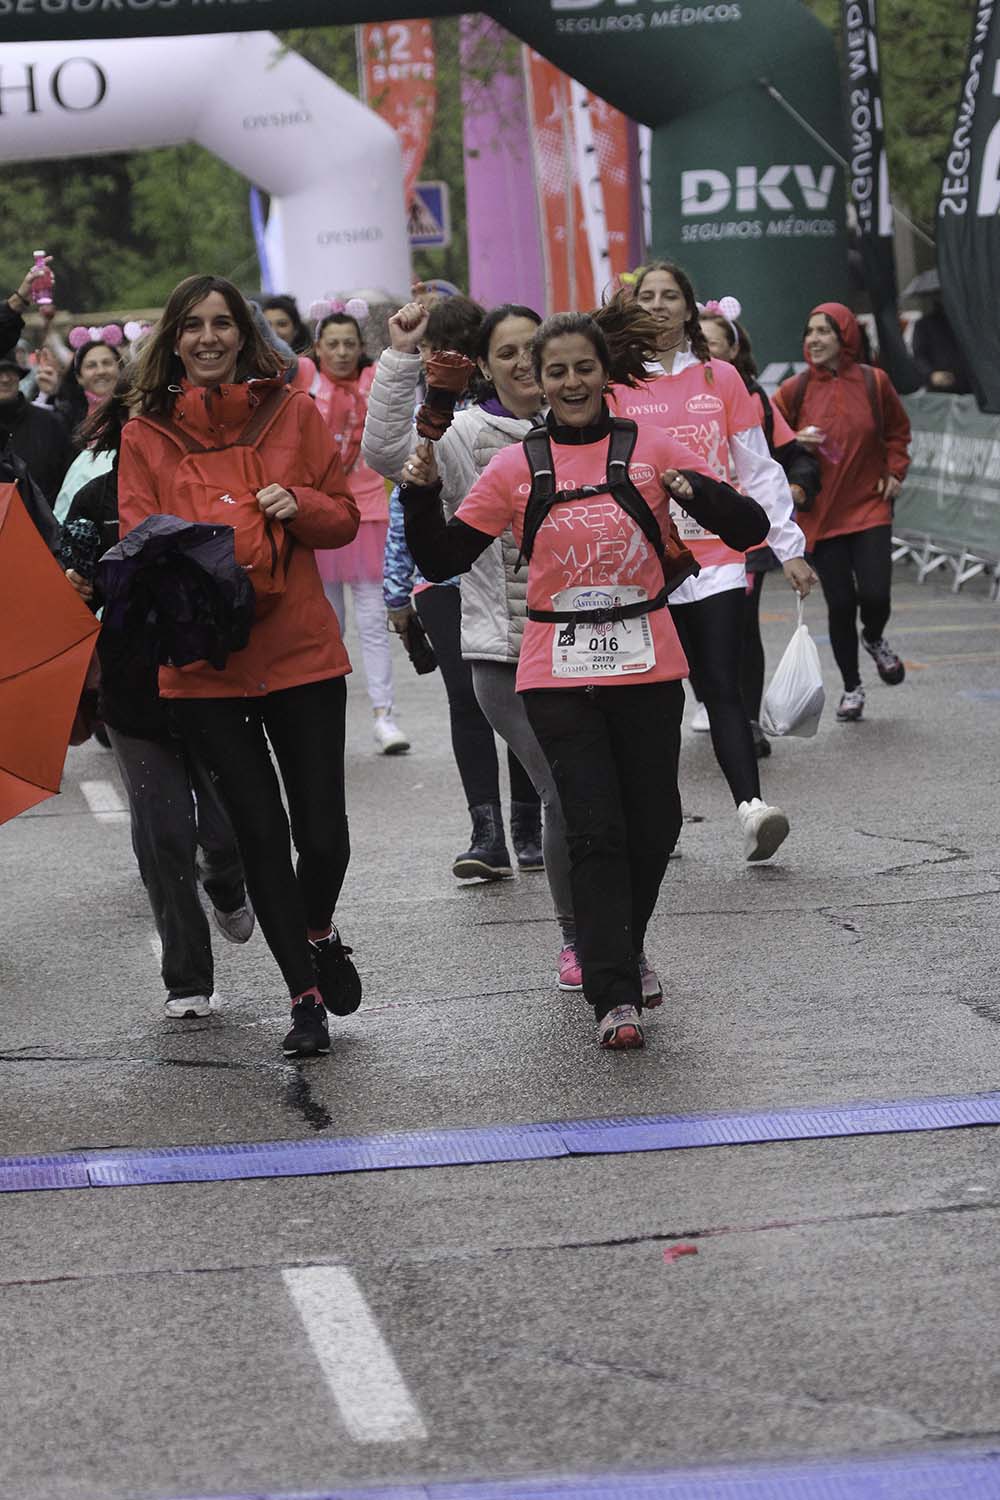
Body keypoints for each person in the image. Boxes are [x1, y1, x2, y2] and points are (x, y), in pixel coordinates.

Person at [400, 305, 768, 1048]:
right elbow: (440, 560)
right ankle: (613, 991)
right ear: (537, 381)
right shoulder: (515, 467)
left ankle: (622, 947)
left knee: (654, 821)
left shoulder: (651, 447)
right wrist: (415, 491)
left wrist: (700, 494)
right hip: (556, 666)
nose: (570, 382)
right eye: (555, 371)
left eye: (583, 369)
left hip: (647, 657)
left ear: (605, 376)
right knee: (593, 823)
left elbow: (748, 530)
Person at [117, 273, 362, 1060]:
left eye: (223, 323)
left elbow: (343, 514)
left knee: (324, 837)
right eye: (193, 326)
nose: (209, 338)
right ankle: (305, 998)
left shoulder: (293, 411)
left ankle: (317, 926)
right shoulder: (145, 432)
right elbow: (137, 539)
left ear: (246, 334)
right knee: (260, 831)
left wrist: (300, 501)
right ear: (174, 340)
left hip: (298, 651)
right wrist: (199, 541)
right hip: (205, 663)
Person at [364, 299, 584, 990]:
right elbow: (388, 453)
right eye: (508, 353)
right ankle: (585, 940)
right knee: (568, 797)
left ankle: (618, 935)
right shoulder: (464, 435)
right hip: (510, 650)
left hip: (606, 647)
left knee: (623, 808)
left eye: (534, 352)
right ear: (486, 366)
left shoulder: (592, 430)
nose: (524, 365)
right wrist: (402, 360)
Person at [63, 387, 255, 1020]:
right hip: (133, 695)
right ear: (121, 429)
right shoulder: (94, 502)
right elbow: (72, 594)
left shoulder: (203, 488)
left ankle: (228, 882)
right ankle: (186, 979)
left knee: (225, 833)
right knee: (164, 836)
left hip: (207, 682)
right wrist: (78, 585)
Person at [624, 262, 814, 861]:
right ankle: (657, 819)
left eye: (669, 296)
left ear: (689, 307)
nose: (658, 305)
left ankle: (754, 810)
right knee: (658, 696)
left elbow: (757, 467)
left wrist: (790, 548)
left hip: (720, 557)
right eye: (646, 296)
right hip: (648, 561)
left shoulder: (722, 377)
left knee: (720, 685)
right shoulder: (616, 382)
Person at [380, 295, 544, 879]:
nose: (434, 359)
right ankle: (487, 831)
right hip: (441, 579)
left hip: (517, 586)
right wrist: (396, 591)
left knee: (525, 697)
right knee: (469, 703)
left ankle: (530, 824)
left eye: (443, 350)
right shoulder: (436, 420)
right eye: (428, 351)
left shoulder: (531, 420)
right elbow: (406, 496)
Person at [775, 303, 911, 723]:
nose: (813, 340)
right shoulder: (794, 389)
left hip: (869, 506)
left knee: (874, 594)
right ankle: (852, 688)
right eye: (809, 331)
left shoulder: (875, 382)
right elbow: (767, 437)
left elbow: (897, 432)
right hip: (821, 514)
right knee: (840, 602)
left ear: (846, 336)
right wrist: (794, 439)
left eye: (824, 331)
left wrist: (894, 470)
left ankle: (874, 637)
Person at [699, 306, 821, 755]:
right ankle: (712, 697)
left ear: (733, 348)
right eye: (699, 343)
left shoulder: (753, 396)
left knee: (741, 627)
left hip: (747, 530)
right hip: (690, 534)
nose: (706, 352)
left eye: (714, 344)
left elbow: (789, 458)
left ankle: (745, 719)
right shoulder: (665, 392)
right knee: (700, 633)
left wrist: (799, 487)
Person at [313, 308, 409, 754]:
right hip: (322, 513)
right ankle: (326, 721)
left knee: (373, 621)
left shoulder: (375, 380)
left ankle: (384, 716)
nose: (341, 351)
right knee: (327, 625)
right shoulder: (306, 385)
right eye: (331, 343)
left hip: (368, 511)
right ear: (317, 348)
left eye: (349, 342)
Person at [0, 355, 71, 504]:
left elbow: (67, 478)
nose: (5, 379)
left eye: (11, 372)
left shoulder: (50, 423)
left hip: (40, 522)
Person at [53, 336, 123, 449]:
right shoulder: (65, 417)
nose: (101, 371)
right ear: (79, 377)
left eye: (107, 363)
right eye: (91, 366)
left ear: (120, 369)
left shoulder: (134, 410)